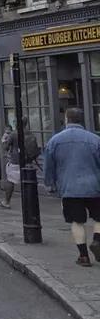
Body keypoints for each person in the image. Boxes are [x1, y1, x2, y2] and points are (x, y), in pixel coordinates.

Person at [43, 108, 100, 266]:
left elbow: (49, 166)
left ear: (67, 119)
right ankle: (97, 240)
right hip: (95, 186)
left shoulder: (55, 140)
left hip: (69, 187)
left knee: (77, 221)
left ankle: (83, 256)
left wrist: (49, 184)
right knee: (99, 217)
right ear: (81, 120)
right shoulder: (95, 139)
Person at [0, 122, 40, 209]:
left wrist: (4, 139)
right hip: (28, 161)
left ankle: (6, 202)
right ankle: (30, 203)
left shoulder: (13, 134)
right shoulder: (31, 134)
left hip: (15, 161)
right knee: (28, 182)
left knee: (10, 181)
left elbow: (6, 147)